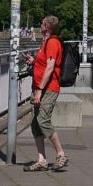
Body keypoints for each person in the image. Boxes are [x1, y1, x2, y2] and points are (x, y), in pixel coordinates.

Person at [24, 15, 68, 172]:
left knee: (43, 119)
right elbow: (44, 63)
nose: (40, 26)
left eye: (42, 24)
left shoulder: (53, 43)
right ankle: (41, 159)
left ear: (47, 27)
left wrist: (40, 90)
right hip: (39, 88)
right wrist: (34, 61)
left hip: (48, 88)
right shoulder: (45, 43)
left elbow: (50, 67)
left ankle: (61, 153)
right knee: (36, 124)